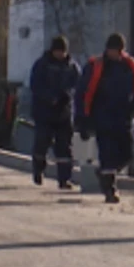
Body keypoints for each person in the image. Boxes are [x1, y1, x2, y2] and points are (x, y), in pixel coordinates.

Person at [75, 32, 134, 204]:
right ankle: (109, 189)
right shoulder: (95, 66)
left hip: (123, 118)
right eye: (113, 50)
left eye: (119, 50)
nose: (116, 53)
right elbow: (82, 93)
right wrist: (82, 120)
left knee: (126, 155)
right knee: (107, 153)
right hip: (102, 117)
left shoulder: (131, 66)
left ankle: (106, 173)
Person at [28, 35, 82, 189]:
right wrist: (50, 97)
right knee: (42, 142)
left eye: (63, 51)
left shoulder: (72, 67)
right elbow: (35, 85)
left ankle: (64, 179)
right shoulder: (42, 65)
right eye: (58, 51)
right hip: (44, 112)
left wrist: (67, 95)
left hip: (64, 113)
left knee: (65, 147)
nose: (61, 54)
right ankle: (38, 170)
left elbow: (78, 86)